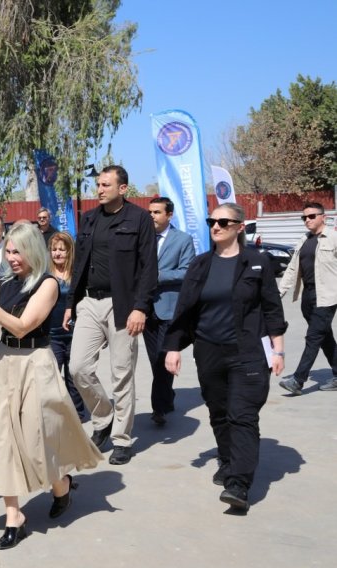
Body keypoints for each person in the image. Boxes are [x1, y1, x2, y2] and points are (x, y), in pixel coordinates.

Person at [0, 223, 102, 550]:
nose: (11, 258)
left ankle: (62, 485)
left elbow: (24, 327)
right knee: (2, 441)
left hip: (34, 364)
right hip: (1, 363)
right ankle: (15, 516)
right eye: (8, 251)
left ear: (32, 251)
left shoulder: (49, 283)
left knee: (38, 441)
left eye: (17, 251)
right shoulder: (2, 282)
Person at [165, 203, 287, 511]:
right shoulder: (200, 265)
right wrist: (173, 347)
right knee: (219, 412)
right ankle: (229, 458)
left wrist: (278, 350)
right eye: (212, 221)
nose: (215, 226)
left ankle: (239, 484)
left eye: (223, 221)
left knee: (242, 415)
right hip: (209, 351)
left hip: (247, 352)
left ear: (239, 227)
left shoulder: (257, 262)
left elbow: (273, 309)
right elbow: (185, 309)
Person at [63, 165, 157, 466]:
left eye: (106, 185)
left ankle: (121, 439)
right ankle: (103, 417)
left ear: (123, 188)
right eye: (98, 185)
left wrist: (140, 307)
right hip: (89, 303)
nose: (99, 189)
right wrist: (70, 303)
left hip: (123, 304)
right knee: (77, 368)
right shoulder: (89, 219)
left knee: (121, 374)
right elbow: (78, 266)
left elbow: (148, 268)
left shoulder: (139, 219)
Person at [143, 197, 195, 426]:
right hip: (145, 311)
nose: (152, 216)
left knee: (162, 359)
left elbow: (187, 272)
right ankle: (168, 396)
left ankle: (159, 408)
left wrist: (159, 277)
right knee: (155, 359)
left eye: (157, 212)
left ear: (169, 215)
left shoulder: (182, 240)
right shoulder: (143, 240)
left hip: (168, 309)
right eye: (150, 212)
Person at [277, 202, 337, 395]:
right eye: (304, 217)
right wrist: (279, 294)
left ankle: (298, 380)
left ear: (323, 217)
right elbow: (292, 269)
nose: (307, 220)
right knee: (324, 337)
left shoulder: (334, 238)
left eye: (311, 216)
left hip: (327, 297)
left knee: (313, 337)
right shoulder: (304, 240)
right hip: (308, 296)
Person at [47, 232, 86, 419]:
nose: (57, 253)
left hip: (75, 333)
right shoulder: (45, 275)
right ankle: (55, 411)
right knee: (52, 375)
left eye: (62, 250)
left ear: (70, 251)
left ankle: (77, 413)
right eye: (54, 250)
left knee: (74, 375)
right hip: (52, 334)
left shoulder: (78, 274)